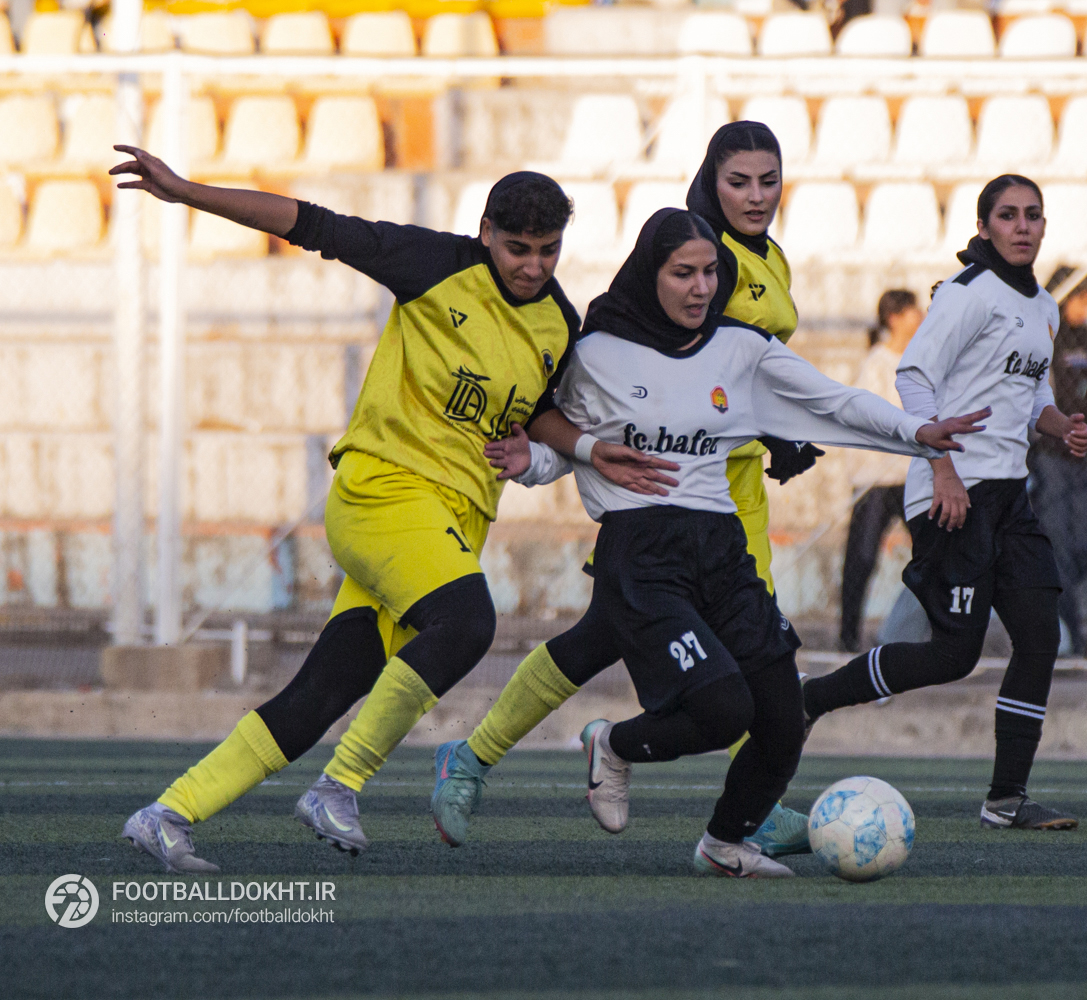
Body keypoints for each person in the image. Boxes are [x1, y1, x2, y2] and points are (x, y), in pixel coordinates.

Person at [112, 147, 671, 873]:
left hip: (445, 528)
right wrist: (189, 193)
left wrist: (588, 450)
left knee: (322, 691)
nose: (533, 266)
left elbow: (539, 416)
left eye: (548, 250)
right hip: (382, 493)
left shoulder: (558, 324)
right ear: (486, 233)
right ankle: (339, 785)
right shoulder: (433, 264)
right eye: (517, 249)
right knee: (467, 623)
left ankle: (167, 814)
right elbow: (312, 223)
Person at [482, 208, 986, 876]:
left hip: (721, 551)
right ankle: (614, 745)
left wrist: (915, 434)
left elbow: (834, 401)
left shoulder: (741, 348)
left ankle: (724, 844)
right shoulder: (598, 353)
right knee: (721, 710)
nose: (700, 287)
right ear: (648, 273)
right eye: (681, 273)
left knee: (782, 716)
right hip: (642, 554)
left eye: (709, 273)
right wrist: (534, 464)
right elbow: (565, 439)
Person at [426, 122, 821, 857]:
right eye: (738, 181)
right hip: (663, 496)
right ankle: (482, 758)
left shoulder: (769, 259)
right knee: (708, 662)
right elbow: (630, 392)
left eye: (769, 181)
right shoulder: (691, 254)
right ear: (708, 182)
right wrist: (548, 457)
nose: (755, 196)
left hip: (726, 496)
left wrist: (779, 427)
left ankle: (474, 758)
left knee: (606, 639)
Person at [801, 175, 1087, 832]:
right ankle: (810, 700)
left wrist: (1060, 426)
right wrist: (943, 469)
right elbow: (913, 376)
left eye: (1033, 215)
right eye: (1008, 215)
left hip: (1009, 495)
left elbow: (1032, 395)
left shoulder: (1044, 307)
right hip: (952, 493)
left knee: (1040, 636)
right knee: (953, 655)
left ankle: (1006, 799)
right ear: (984, 227)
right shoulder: (966, 293)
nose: (1022, 226)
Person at [1028, 266, 1087, 656]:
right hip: (1048, 457)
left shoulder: (1084, 336)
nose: (1086, 310)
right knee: (1057, 545)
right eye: (1081, 300)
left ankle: (1043, 595)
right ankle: (1072, 633)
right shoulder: (1042, 335)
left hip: (1081, 456)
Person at [840, 289, 925, 653]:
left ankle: (926, 630)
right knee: (862, 557)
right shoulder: (876, 363)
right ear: (895, 318)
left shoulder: (921, 360)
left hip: (912, 475)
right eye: (913, 311)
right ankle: (848, 635)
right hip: (876, 478)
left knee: (932, 551)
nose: (921, 315)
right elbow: (868, 415)